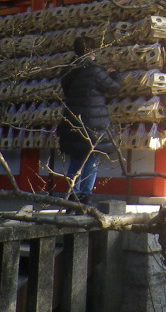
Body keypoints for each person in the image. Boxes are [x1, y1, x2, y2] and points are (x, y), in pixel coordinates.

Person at [57, 36, 120, 205]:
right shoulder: (94, 70)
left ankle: (72, 195)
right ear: (91, 51)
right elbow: (113, 88)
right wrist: (115, 75)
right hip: (93, 123)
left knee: (76, 159)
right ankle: (86, 195)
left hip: (72, 120)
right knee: (91, 158)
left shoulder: (69, 70)